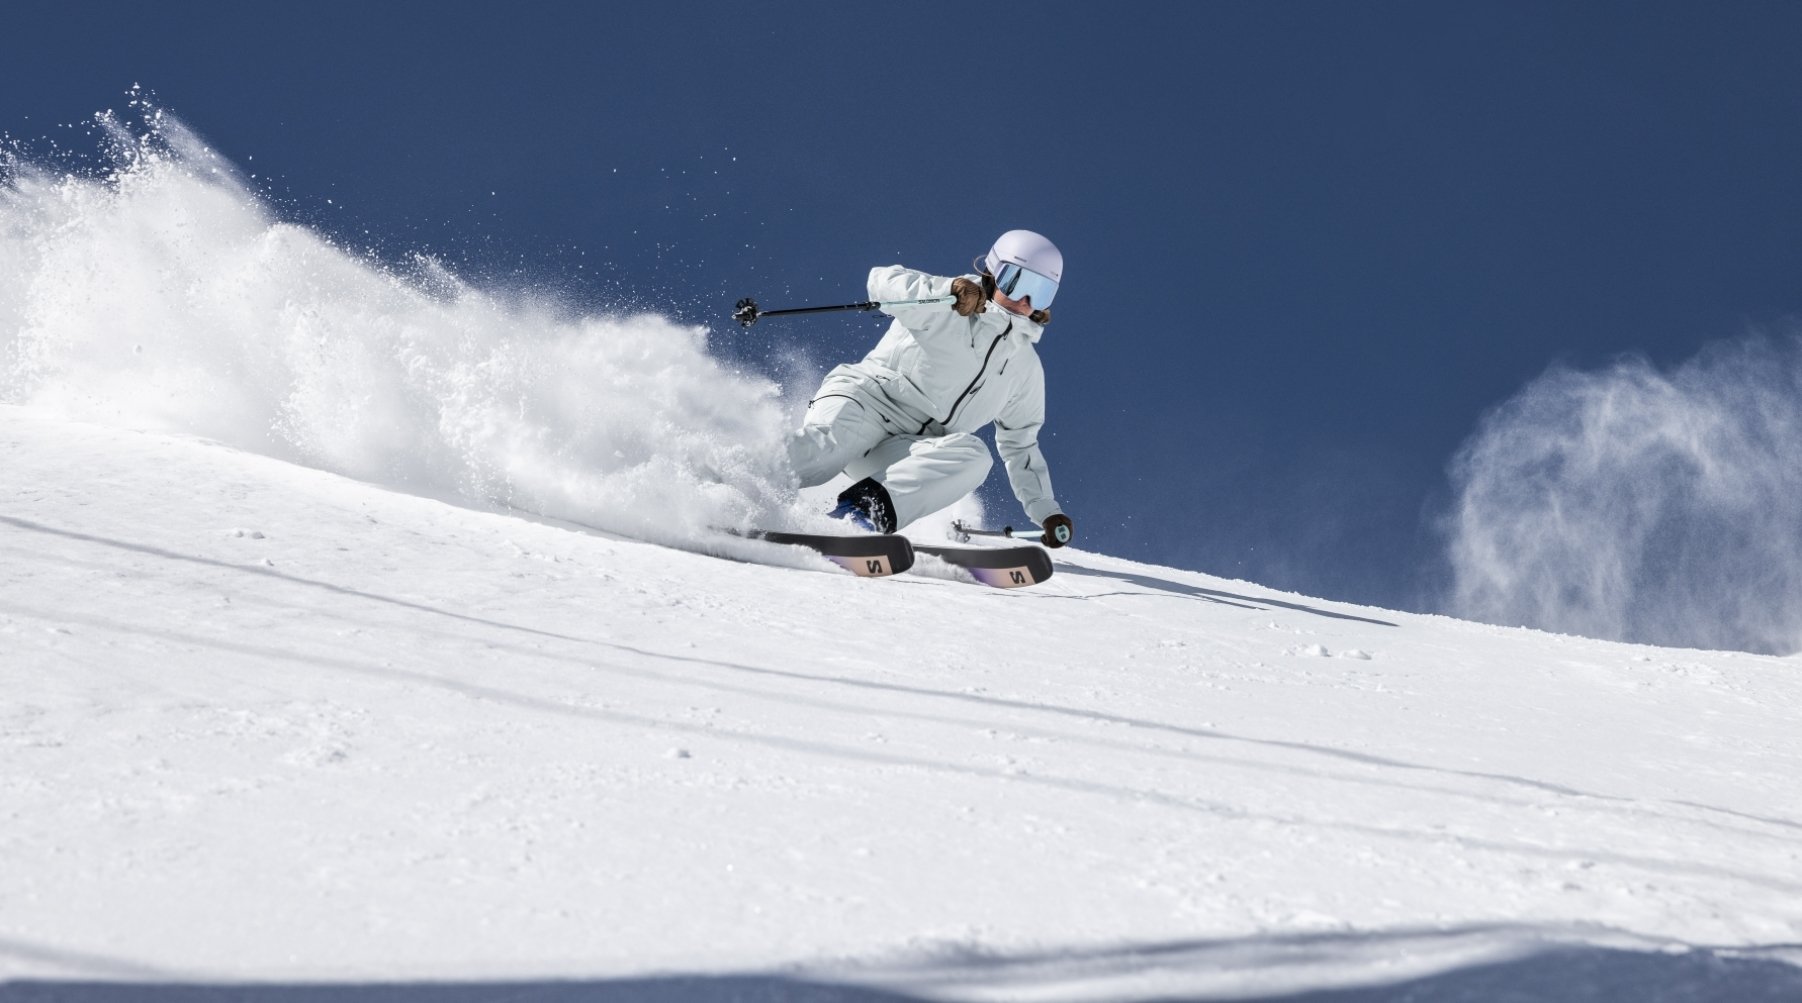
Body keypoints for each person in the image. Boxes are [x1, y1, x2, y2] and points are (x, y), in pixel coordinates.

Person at [786, 229, 1075, 549]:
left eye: (1042, 292)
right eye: (1018, 282)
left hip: (907, 450)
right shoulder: (950, 301)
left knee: (975, 457)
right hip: (866, 401)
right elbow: (881, 280)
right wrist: (945, 291)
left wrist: (1046, 511)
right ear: (993, 274)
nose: (1026, 301)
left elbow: (1020, 446)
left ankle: (859, 517)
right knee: (824, 448)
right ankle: (734, 482)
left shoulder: (1025, 369)